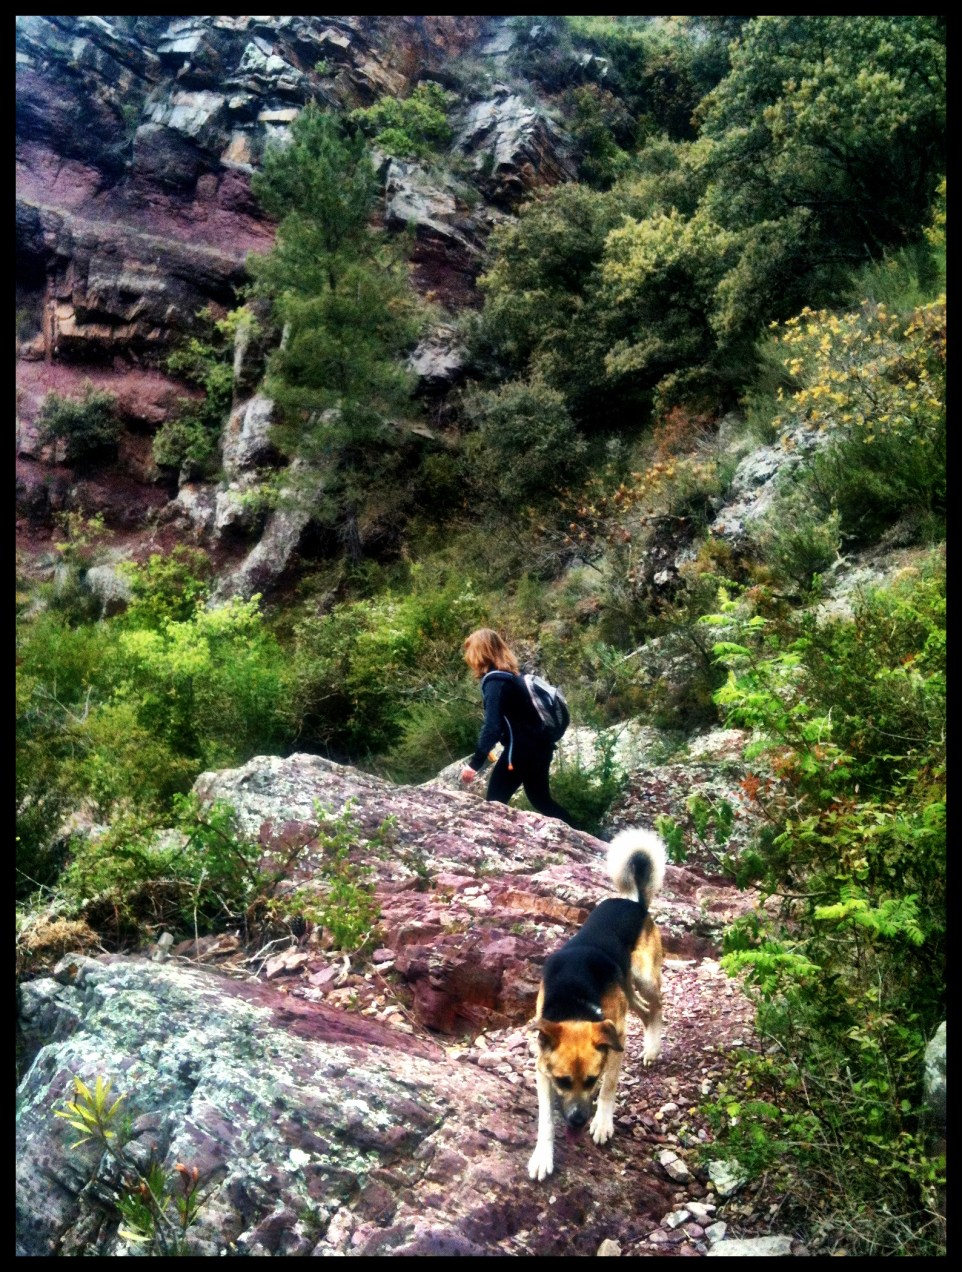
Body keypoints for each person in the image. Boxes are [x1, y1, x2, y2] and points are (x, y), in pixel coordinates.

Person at [460, 628, 577, 828]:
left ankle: (497, 847)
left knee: (494, 805)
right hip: (541, 748)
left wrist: (474, 764)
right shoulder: (513, 676)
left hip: (520, 753)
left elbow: (492, 727)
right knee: (542, 800)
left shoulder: (495, 681)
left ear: (479, 652)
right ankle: (586, 838)